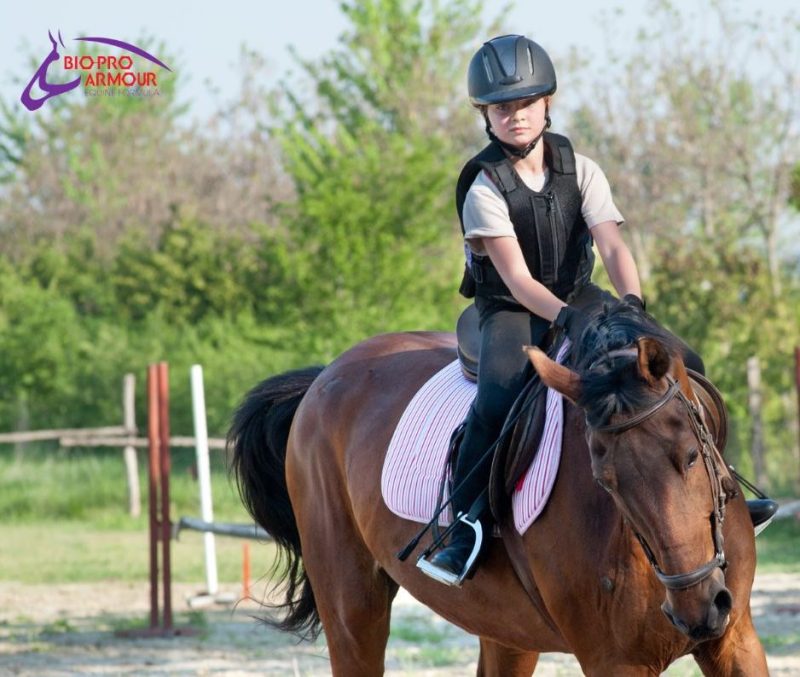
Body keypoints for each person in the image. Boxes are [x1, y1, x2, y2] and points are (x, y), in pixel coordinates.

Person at [422, 35, 775, 586]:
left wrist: (632, 303)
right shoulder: (483, 188)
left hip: (581, 292)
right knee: (496, 399)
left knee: (687, 359)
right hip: (511, 309)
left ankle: (720, 483)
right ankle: (465, 524)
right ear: (485, 116)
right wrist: (566, 318)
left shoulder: (581, 169)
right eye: (501, 108)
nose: (515, 116)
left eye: (526, 103)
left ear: (547, 102)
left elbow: (611, 246)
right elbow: (517, 279)